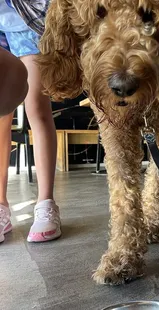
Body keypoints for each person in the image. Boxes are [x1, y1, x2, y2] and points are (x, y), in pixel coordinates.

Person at [0, 0, 61, 243]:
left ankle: (46, 202)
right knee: (0, 112)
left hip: (31, 23)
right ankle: (0, 205)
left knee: (36, 104)